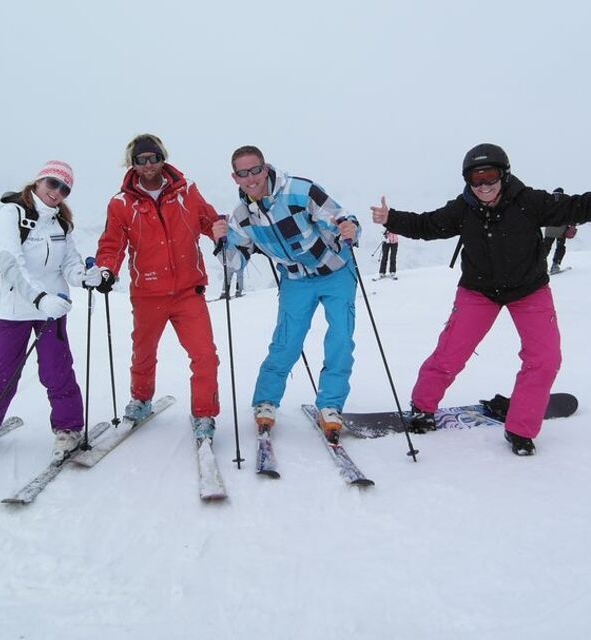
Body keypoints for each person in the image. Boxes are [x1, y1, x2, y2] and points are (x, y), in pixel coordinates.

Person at [371, 143, 591, 456]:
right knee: (450, 353)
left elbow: (577, 207)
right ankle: (422, 406)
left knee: (545, 359)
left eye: (491, 177)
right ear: (468, 181)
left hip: (530, 290)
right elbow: (428, 225)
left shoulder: (529, 201)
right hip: (478, 291)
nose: (484, 186)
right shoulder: (463, 208)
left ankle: (521, 430)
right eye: (477, 179)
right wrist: (391, 218)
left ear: (504, 175)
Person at [0, 161, 101, 461]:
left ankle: (69, 428)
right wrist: (39, 297)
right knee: (3, 374)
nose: (57, 192)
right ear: (38, 181)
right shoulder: (11, 213)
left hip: (53, 307)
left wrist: (83, 276)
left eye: (64, 188)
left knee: (56, 369)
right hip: (16, 308)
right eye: (52, 183)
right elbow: (10, 262)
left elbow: (69, 262)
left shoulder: (60, 223)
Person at [213, 145, 360, 443]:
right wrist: (221, 242)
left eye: (255, 169)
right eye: (243, 173)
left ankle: (330, 404)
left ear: (265, 168)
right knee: (286, 342)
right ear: (235, 177)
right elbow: (236, 263)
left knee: (340, 339)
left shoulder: (299, 191)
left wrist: (348, 229)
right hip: (295, 280)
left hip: (336, 271)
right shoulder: (241, 217)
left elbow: (341, 218)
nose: (251, 178)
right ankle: (266, 401)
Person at [95, 134, 220, 440]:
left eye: (154, 158)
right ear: (133, 163)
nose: (148, 164)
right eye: (141, 160)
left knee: (204, 354)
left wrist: (222, 235)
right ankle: (141, 398)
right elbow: (113, 243)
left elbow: (208, 220)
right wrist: (106, 270)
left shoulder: (187, 190)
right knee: (143, 352)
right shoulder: (121, 203)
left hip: (189, 290)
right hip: (148, 293)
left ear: (163, 158)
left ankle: (204, 415)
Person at [543, 188, 575, 273]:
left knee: (545, 247)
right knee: (560, 247)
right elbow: (570, 213)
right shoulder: (565, 200)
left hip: (549, 229)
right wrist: (572, 225)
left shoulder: (548, 200)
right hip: (561, 229)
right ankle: (555, 265)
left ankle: (540, 266)